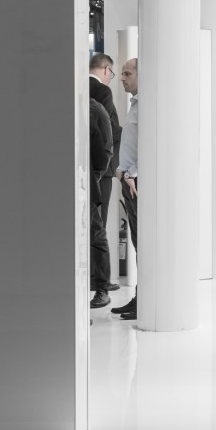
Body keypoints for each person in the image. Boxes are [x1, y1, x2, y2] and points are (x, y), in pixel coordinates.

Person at [88, 53, 120, 309]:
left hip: (87, 168)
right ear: (107, 69)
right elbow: (108, 130)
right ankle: (101, 283)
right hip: (99, 171)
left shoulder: (76, 88)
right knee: (97, 227)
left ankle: (93, 279)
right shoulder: (102, 93)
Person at [114, 57, 139, 320]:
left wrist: (132, 172)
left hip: (136, 183)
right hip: (129, 180)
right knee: (136, 241)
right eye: (122, 73)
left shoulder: (147, 106)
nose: (122, 78)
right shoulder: (135, 105)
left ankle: (144, 300)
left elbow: (151, 143)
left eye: (127, 73)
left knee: (142, 242)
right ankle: (140, 298)